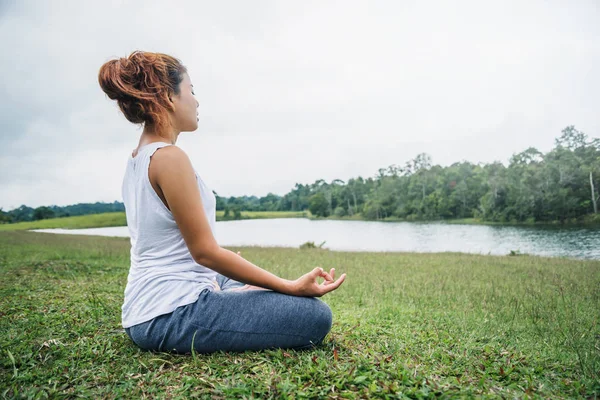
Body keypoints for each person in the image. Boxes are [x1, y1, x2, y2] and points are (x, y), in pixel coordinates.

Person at [98, 50, 347, 354]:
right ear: (168, 96)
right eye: (192, 91)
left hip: (148, 307)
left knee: (229, 272)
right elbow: (205, 253)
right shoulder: (169, 158)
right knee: (316, 317)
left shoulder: (138, 158)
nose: (197, 101)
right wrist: (289, 286)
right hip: (169, 314)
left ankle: (233, 291)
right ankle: (235, 292)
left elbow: (189, 253)